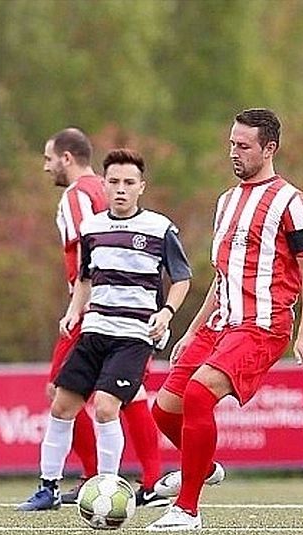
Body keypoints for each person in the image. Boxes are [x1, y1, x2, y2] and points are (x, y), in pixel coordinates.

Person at [146, 108, 303, 531]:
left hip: (263, 325)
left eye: (243, 146)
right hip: (219, 325)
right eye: (231, 144)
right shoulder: (225, 202)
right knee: (164, 410)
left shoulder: (290, 201)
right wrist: (190, 332)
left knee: (198, 395)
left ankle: (187, 509)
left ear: (269, 148)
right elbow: (223, 276)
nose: (234, 153)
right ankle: (202, 468)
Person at [17, 148, 192, 512]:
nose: (121, 189)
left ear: (141, 187)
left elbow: (181, 278)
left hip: (133, 336)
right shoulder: (92, 227)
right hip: (94, 330)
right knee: (62, 406)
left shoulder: (159, 228)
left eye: (129, 183)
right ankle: (47, 488)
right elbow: (84, 278)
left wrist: (167, 312)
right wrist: (72, 312)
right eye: (113, 182)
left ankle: (108, 489)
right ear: (105, 184)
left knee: (106, 407)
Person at [40, 128, 168, 508]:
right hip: (126, 309)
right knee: (131, 393)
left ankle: (92, 476)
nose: (46, 168)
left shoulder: (77, 196)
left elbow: (93, 249)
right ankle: (150, 479)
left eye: (48, 159)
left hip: (99, 309)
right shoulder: (103, 186)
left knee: (62, 392)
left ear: (66, 158)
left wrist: (81, 305)